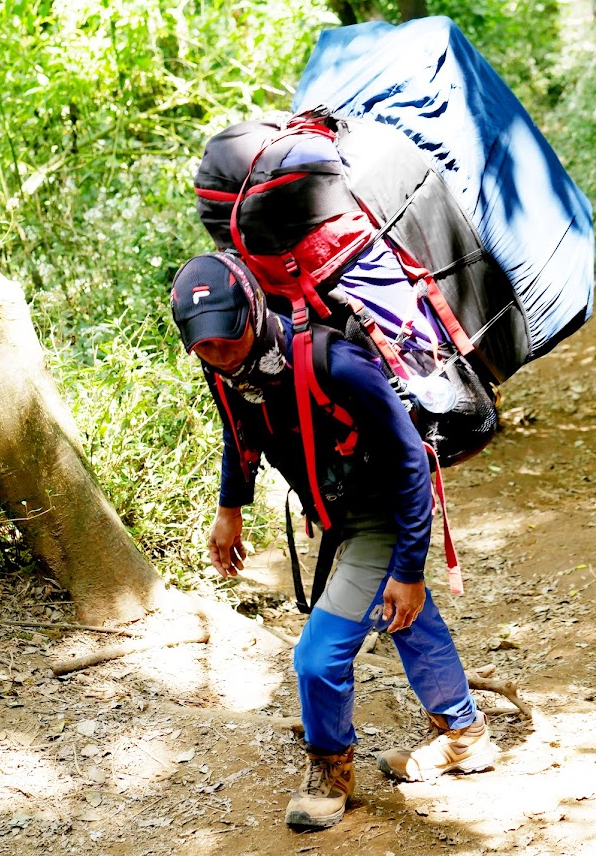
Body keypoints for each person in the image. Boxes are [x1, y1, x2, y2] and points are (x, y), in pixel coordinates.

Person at [170, 251, 498, 831]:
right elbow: (237, 424)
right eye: (205, 346)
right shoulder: (224, 365)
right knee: (408, 620)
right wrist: (230, 507)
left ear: (251, 306)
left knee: (317, 657)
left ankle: (329, 770)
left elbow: (408, 462)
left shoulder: (333, 361)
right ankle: (464, 734)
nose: (220, 354)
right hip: (341, 510)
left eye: (228, 337)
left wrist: (411, 567)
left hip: (380, 512)